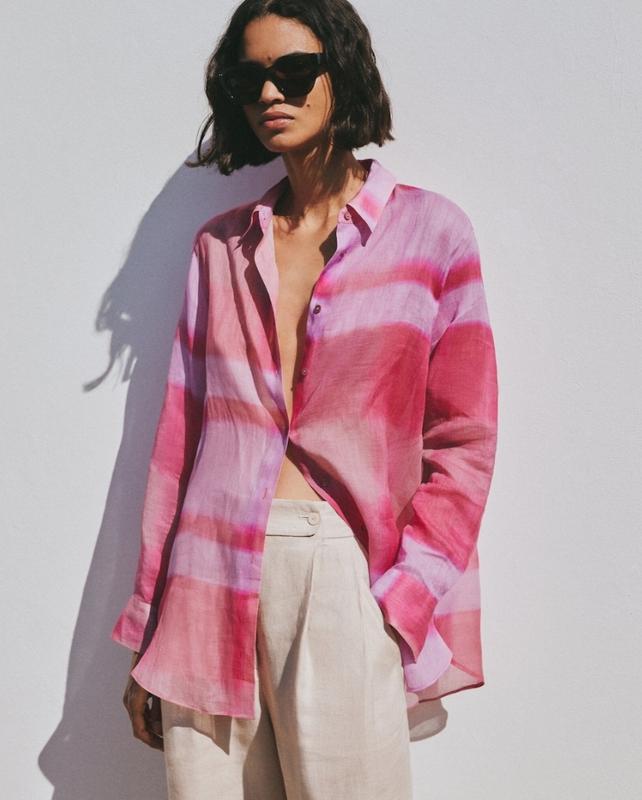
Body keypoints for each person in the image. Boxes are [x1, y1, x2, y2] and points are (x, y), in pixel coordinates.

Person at [111, 0, 499, 797]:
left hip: (340, 574)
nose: (269, 94)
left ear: (340, 73)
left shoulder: (432, 235)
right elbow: (179, 443)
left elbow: (465, 439)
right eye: (249, 78)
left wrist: (404, 596)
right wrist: (151, 624)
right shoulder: (220, 249)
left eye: (292, 71)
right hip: (204, 581)